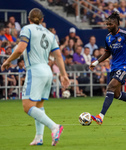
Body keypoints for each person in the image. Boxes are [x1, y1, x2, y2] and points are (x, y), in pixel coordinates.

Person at [1, 8, 70, 146]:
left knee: (27, 107)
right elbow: (58, 56)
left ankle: (54, 126)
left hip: (35, 70)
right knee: (38, 105)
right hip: (47, 71)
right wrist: (64, 74)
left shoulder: (27, 29)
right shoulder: (50, 34)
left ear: (29, 19)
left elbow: (20, 49)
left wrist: (8, 61)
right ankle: (39, 137)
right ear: (42, 20)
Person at [89, 12, 126, 125]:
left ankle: (100, 116)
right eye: (107, 24)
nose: (108, 26)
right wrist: (96, 62)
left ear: (116, 23)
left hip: (124, 66)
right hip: (114, 66)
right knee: (116, 94)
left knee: (110, 87)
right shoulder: (108, 37)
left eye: (110, 24)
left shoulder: (125, 34)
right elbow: (107, 53)